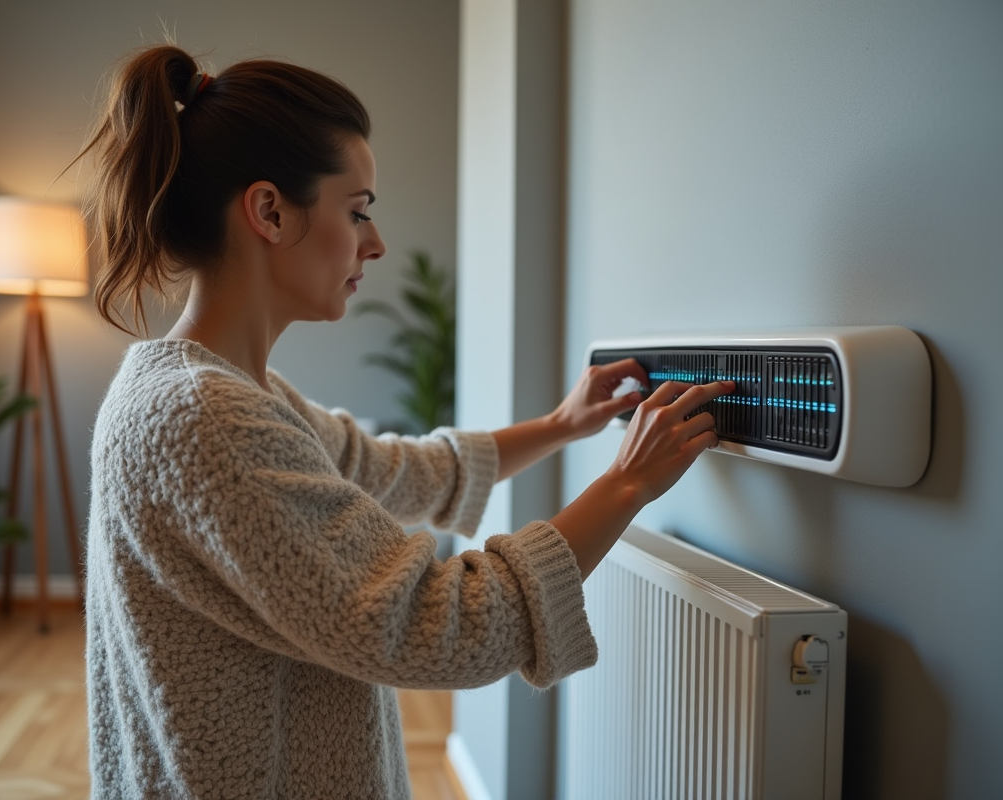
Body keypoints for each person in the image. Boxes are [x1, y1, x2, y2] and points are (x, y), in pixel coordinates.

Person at [80, 44, 733, 800]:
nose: (376, 243)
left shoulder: (229, 394)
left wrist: (562, 422)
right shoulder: (202, 417)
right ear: (268, 210)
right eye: (356, 212)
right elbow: (436, 625)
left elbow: (396, 470)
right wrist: (625, 485)